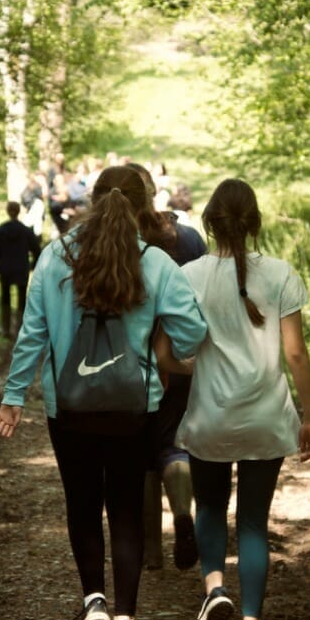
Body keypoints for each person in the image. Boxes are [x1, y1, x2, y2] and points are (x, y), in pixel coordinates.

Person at [0, 166, 207, 620]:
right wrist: (155, 346)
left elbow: (34, 334)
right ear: (141, 206)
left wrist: (13, 397)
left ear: (92, 200)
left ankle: (93, 602)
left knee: (83, 504)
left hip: (69, 406)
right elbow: (193, 332)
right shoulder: (155, 262)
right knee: (126, 509)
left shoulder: (55, 256)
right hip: (135, 407)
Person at [156, 178, 310, 620]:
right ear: (254, 223)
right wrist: (309, 416)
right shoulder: (282, 274)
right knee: (252, 522)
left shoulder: (189, 276)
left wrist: (196, 367)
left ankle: (214, 589)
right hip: (267, 419)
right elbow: (294, 352)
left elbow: (166, 353)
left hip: (211, 417)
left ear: (208, 223)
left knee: (209, 505)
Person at [125, 162, 207, 572]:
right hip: (180, 359)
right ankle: (183, 517)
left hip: (132, 363)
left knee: (141, 457)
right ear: (154, 193)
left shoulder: (117, 243)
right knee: (174, 445)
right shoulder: (187, 238)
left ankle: (151, 551)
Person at [0, 201, 42, 339]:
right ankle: (19, 328)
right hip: (21, 269)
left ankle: (6, 329)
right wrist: (32, 266)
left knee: (5, 298)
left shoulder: (2, 230)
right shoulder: (25, 231)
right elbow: (37, 251)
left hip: (5, 269)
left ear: (8, 211)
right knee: (21, 298)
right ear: (18, 211)